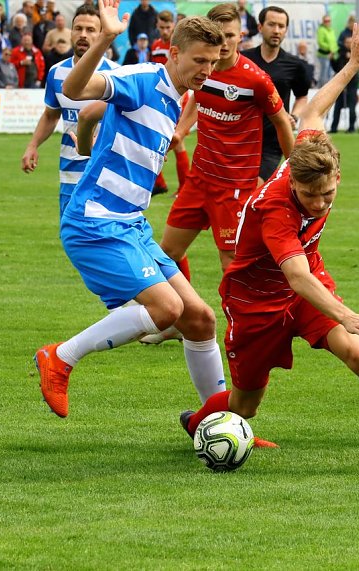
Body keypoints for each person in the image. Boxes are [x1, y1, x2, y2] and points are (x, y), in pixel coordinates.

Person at [180, 16, 359, 477]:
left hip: (306, 288)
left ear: (336, 175)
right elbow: (294, 274)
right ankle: (197, 421)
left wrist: (355, 62)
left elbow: (313, 111)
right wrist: (344, 313)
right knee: (245, 406)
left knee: (357, 353)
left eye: (327, 195)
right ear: (291, 179)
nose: (317, 203)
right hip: (255, 302)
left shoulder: (314, 153)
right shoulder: (275, 208)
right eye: (309, 195)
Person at [33, 3, 230, 423]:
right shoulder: (142, 79)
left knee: (200, 318)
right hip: (96, 223)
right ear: (174, 53)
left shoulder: (180, 97)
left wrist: (90, 146)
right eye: (199, 61)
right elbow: (76, 89)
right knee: (167, 311)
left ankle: (215, 421)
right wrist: (105, 38)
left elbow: (92, 119)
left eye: (212, 62)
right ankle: (60, 357)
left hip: (131, 226)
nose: (206, 70)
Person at [159, 3, 294, 283]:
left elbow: (281, 121)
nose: (224, 43)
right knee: (167, 252)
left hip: (234, 187)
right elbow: (198, 99)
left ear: (240, 35)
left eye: (230, 36)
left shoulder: (255, 80)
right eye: (218, 36)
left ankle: (244, 325)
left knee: (231, 264)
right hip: (199, 179)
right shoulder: (203, 69)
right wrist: (181, 131)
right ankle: (179, 319)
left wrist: (294, 169)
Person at [22, 3, 118, 215]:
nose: (83, 34)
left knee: (100, 240)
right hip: (69, 174)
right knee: (71, 239)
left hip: (106, 174)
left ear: (102, 33)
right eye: (78, 28)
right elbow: (50, 115)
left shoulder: (116, 75)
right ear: (70, 31)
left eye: (91, 30)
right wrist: (33, 145)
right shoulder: (56, 72)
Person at [242, 5, 311, 183]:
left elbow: (302, 97)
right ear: (260, 27)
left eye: (281, 26)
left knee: (256, 185)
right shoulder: (243, 59)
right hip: (241, 136)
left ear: (286, 30)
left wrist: (293, 116)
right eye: (272, 25)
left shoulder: (296, 65)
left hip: (273, 141)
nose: (276, 30)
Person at [148, 9, 189, 197]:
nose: (165, 31)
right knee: (154, 139)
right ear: (157, 25)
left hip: (179, 98)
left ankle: (184, 188)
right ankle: (160, 184)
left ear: (173, 26)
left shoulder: (179, 46)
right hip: (160, 97)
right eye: (162, 27)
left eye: (168, 27)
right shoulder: (155, 45)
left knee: (177, 143)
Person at [329, 35, 359, 133]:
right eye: (347, 42)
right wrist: (332, 60)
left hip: (352, 85)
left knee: (351, 107)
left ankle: (351, 127)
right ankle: (334, 128)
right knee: (337, 108)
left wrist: (351, 59)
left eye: (350, 42)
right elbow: (337, 68)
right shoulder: (341, 54)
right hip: (341, 85)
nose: (348, 44)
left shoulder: (356, 53)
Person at [316, 13, 337, 86]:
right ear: (323, 21)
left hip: (331, 55)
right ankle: (321, 87)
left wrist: (333, 51)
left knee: (330, 73)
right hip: (324, 55)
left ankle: (326, 87)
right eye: (326, 21)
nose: (327, 22)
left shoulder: (331, 30)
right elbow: (321, 43)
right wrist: (330, 49)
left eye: (329, 21)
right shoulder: (321, 30)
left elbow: (334, 42)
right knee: (323, 73)